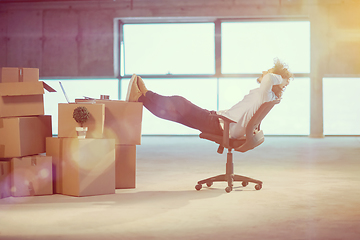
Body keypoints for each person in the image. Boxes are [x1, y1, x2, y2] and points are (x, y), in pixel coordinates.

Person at [126, 58, 293, 139]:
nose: (265, 72)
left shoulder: (266, 93)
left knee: (179, 102)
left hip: (220, 125)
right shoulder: (267, 96)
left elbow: (269, 78)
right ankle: (140, 98)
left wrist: (282, 79)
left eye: (269, 71)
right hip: (220, 121)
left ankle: (145, 94)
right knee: (174, 113)